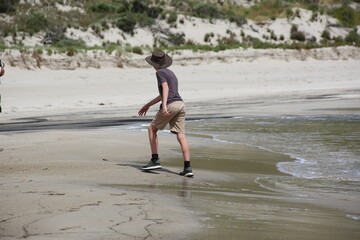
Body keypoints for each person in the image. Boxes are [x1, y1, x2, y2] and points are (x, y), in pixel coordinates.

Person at [138, 50, 193, 177]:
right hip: (180, 104)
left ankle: (155, 160)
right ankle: (187, 168)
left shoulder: (160, 73)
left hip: (170, 104)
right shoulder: (170, 72)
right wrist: (148, 105)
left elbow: (166, 88)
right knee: (181, 136)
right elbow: (163, 93)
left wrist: (164, 105)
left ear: (153, 63)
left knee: (152, 129)